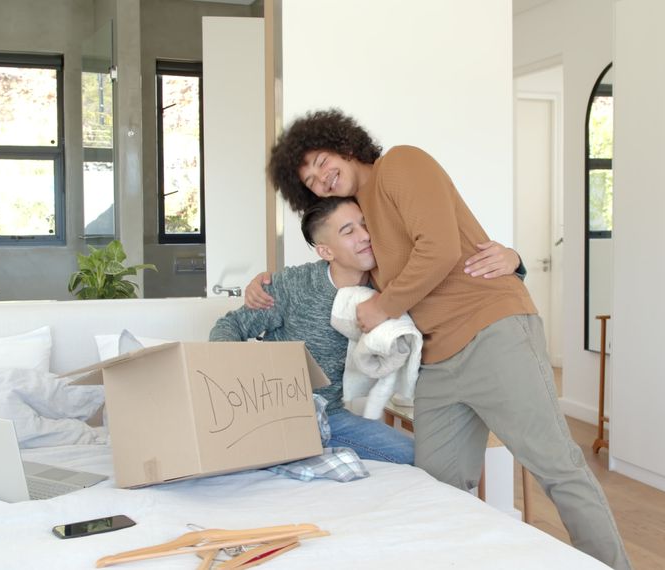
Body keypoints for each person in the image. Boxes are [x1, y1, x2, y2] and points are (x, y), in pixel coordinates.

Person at [264, 108, 632, 569]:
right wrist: (266, 285)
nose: (320, 178)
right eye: (310, 181)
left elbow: (439, 249)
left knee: (556, 467)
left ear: (343, 145)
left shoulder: (401, 164)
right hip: (438, 360)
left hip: (492, 334)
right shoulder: (361, 216)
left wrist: (384, 307)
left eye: (320, 161)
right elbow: (338, 267)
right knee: (434, 486)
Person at [209, 197, 416, 463]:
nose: (365, 236)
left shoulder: (388, 288)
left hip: (331, 417)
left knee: (414, 457)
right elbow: (230, 325)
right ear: (326, 252)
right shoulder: (293, 286)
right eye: (348, 231)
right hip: (276, 416)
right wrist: (237, 376)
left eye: (365, 225)